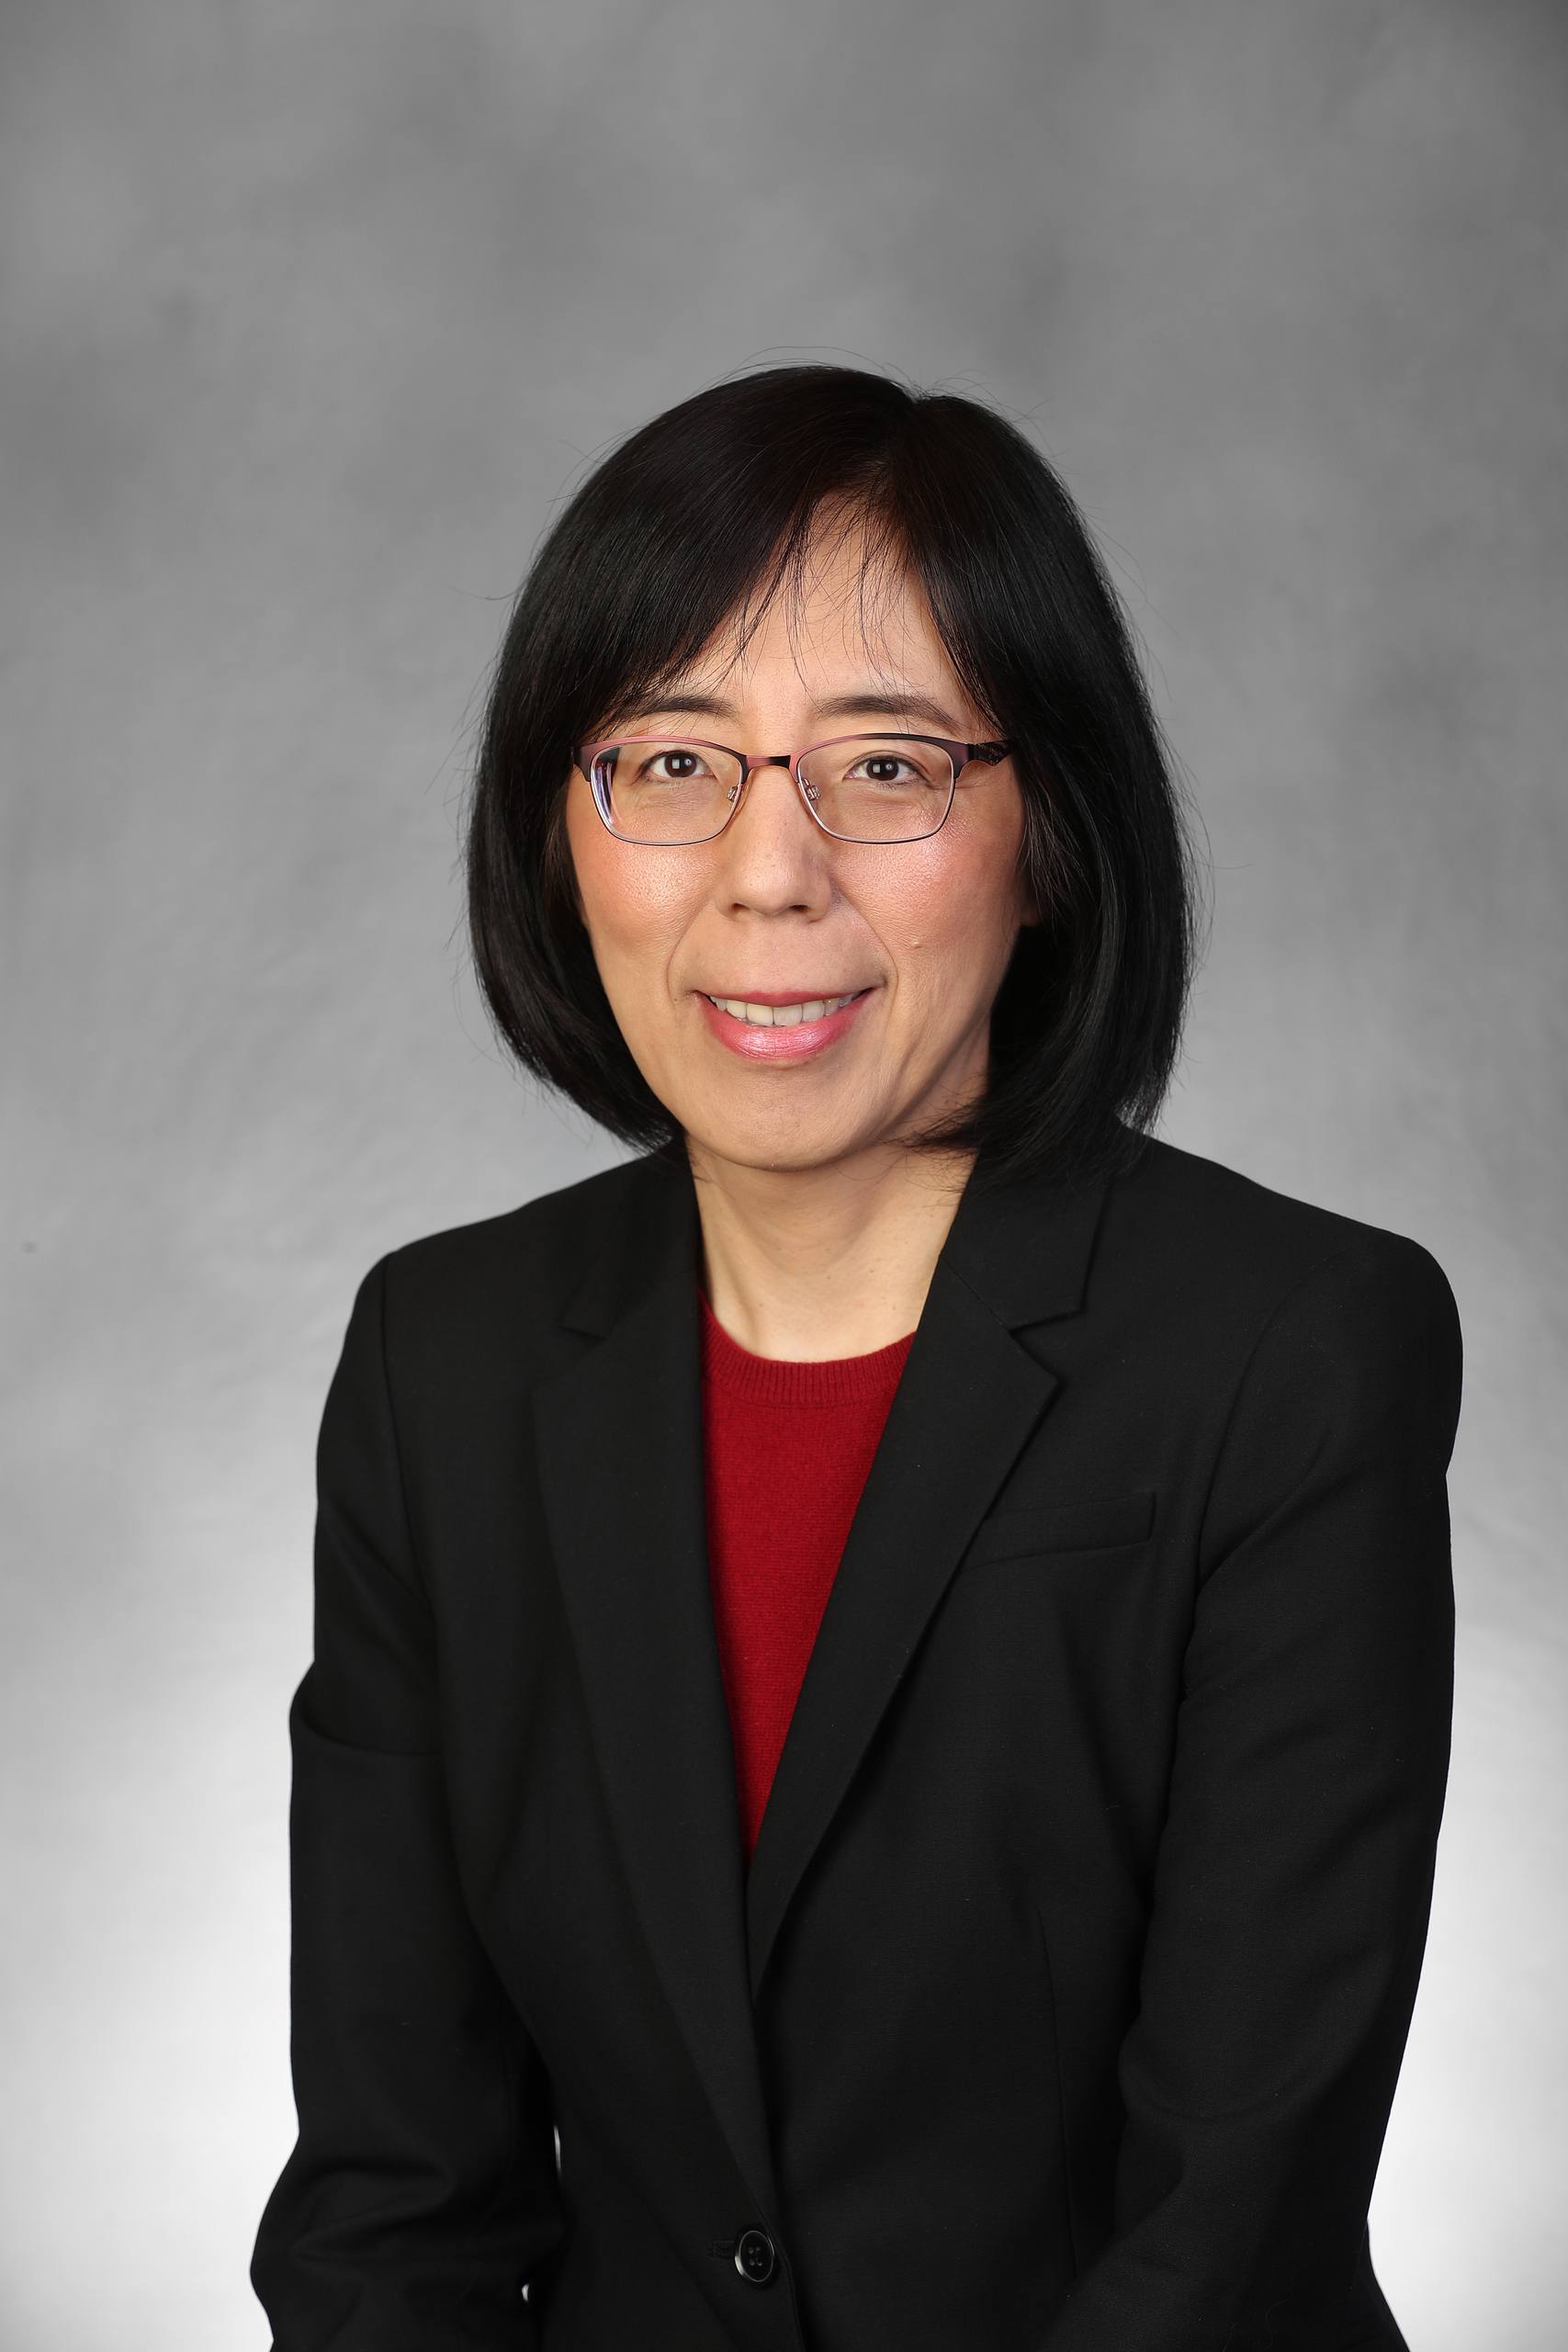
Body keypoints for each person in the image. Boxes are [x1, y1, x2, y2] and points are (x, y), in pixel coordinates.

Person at [250, 364, 1463, 2351]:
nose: (767, 871)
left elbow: (1224, 2239)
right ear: (561, 827)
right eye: (671, 759)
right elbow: (393, 2209)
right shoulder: (438, 1364)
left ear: (1050, 834)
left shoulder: (1292, 1352)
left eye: (885, 768)